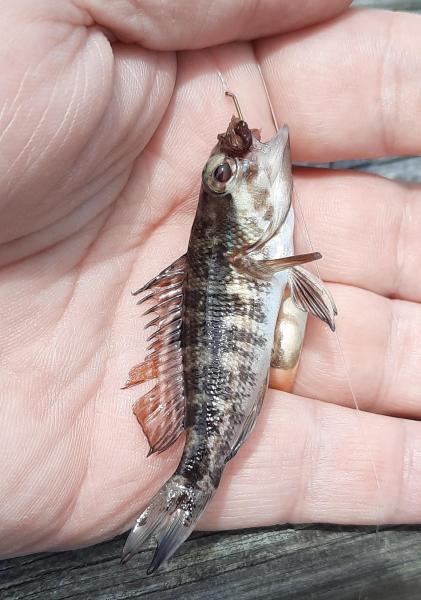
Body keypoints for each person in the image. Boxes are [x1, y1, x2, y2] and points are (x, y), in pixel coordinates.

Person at [1, 0, 420, 559]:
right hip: (233, 346)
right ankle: (192, 482)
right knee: (214, 444)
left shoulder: (253, 249)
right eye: (226, 176)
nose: (242, 161)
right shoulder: (250, 251)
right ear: (225, 219)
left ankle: (190, 481)